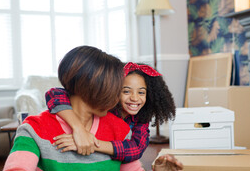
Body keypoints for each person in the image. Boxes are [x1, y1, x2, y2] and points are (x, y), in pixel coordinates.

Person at [0, 46, 182, 171]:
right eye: (118, 87)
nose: (122, 95)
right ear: (90, 86)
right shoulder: (34, 128)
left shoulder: (120, 129)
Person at [46, 62, 176, 164]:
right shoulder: (102, 107)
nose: (135, 98)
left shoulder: (140, 118)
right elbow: (54, 94)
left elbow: (136, 149)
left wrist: (92, 143)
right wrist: (79, 129)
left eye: (141, 92)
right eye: (126, 91)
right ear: (113, 90)